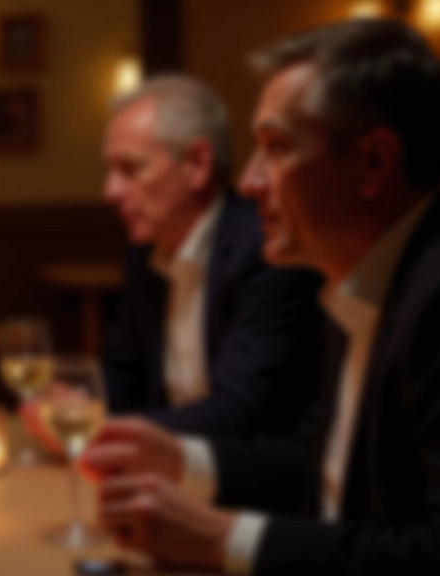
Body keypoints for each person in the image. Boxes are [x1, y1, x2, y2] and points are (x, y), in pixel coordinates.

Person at [84, 19, 440, 575]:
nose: (251, 182)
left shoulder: (437, 296)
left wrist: (225, 539)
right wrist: (180, 457)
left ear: (373, 162)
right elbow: (315, 464)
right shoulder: (355, 278)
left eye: (277, 148)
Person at [27, 75, 325, 447]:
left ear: (198, 164)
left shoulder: (264, 249)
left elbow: (241, 412)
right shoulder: (145, 252)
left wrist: (98, 426)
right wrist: (80, 401)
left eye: (131, 169)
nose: (110, 192)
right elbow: (123, 373)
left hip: (245, 490)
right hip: (169, 478)